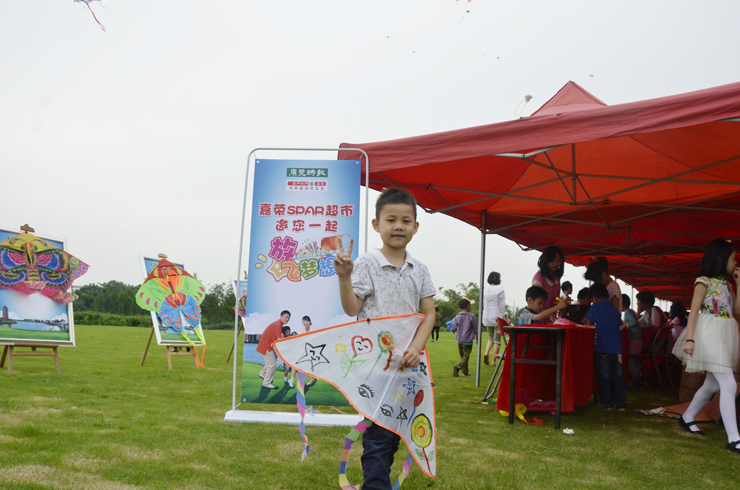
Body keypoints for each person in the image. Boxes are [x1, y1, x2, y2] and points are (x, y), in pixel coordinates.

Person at [334, 187, 436, 489]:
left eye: (406, 220)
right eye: (391, 219)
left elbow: (429, 313)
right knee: (379, 433)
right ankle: (375, 485)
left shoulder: (421, 269)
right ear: (376, 224)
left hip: (408, 366)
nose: (398, 226)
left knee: (395, 432)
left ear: (415, 227)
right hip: (375, 367)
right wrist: (344, 277)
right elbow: (353, 307)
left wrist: (417, 348)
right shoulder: (366, 263)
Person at [672, 239, 740, 453]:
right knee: (729, 384)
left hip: (723, 335)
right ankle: (734, 439)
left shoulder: (727, 285)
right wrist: (690, 340)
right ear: (720, 259)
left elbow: (736, 310)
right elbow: (692, 312)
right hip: (709, 336)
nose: (735, 261)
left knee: (712, 384)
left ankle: (688, 417)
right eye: (733, 258)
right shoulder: (703, 282)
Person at [583, 283, 626, 410]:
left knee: (604, 376)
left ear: (594, 299)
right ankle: (620, 403)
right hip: (617, 349)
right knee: (618, 377)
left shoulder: (595, 308)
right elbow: (618, 324)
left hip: (603, 349)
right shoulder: (615, 310)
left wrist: (586, 321)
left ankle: (604, 402)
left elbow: (589, 326)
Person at [256, 310, 290, 389]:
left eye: (288, 318)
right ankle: (266, 383)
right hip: (266, 346)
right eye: (286, 317)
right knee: (273, 364)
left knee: (274, 357)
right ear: (281, 316)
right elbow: (279, 341)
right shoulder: (278, 325)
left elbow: (278, 339)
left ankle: (263, 373)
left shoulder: (279, 324)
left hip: (267, 345)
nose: (287, 319)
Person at [532, 245, 565, 322]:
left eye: (558, 261)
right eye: (552, 261)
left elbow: (555, 298)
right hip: (539, 320)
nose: (556, 264)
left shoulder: (557, 278)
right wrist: (551, 315)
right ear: (545, 261)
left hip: (552, 320)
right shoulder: (538, 279)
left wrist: (563, 301)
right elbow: (538, 301)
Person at [482, 271, 506, 365]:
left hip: (487, 317)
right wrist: (506, 317)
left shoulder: (484, 290)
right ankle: (494, 360)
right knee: (497, 340)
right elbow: (502, 306)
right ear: (496, 278)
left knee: (490, 337)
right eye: (499, 278)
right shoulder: (500, 290)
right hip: (497, 318)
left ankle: (486, 352)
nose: (500, 280)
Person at [451, 298, 477, 377]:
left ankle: (465, 372)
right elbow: (476, 328)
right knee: (466, 356)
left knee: (463, 356)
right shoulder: (471, 316)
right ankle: (458, 367)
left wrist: (453, 330)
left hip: (459, 339)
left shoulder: (458, 316)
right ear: (468, 306)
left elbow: (454, 326)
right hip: (467, 340)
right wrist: (478, 337)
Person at [622, 294, 642, 384]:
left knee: (631, 358)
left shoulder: (627, 312)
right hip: (638, 338)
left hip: (634, 338)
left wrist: (624, 325)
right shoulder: (632, 311)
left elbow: (633, 323)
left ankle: (634, 378)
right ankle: (639, 377)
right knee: (635, 359)